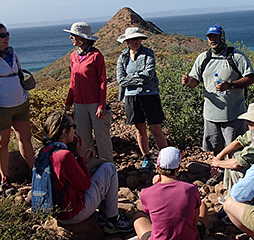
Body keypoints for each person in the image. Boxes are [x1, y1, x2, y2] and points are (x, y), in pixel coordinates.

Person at [181, 25, 254, 184]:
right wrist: (188, 82)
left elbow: (250, 77)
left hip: (233, 113)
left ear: (222, 37)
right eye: (209, 37)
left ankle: (237, 177)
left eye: (215, 36)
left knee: (235, 147)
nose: (212, 39)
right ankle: (220, 173)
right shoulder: (203, 58)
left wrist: (232, 85)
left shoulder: (236, 57)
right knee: (216, 146)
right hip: (211, 114)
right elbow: (195, 82)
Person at [42, 111, 132, 234]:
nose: (75, 130)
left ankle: (103, 213)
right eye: (73, 126)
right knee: (109, 168)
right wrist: (79, 158)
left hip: (57, 212)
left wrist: (81, 161)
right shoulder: (64, 155)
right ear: (64, 132)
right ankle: (113, 221)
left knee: (98, 167)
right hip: (73, 213)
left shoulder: (44, 151)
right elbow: (85, 185)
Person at [116, 27, 167, 173]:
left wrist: (130, 79)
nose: (137, 41)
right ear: (127, 41)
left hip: (149, 95)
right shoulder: (123, 57)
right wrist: (137, 79)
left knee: (156, 129)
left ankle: (166, 159)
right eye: (134, 39)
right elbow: (121, 80)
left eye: (139, 39)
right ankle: (147, 158)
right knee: (140, 130)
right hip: (131, 97)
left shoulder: (148, 53)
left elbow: (149, 74)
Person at [0, 22, 35, 197]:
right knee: (2, 143)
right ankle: (5, 179)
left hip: (20, 104)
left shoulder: (13, 54)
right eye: (2, 35)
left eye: (7, 34)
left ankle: (34, 171)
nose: (7, 37)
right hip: (1, 107)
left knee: (25, 138)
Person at [133, 146, 208, 240]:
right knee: (202, 205)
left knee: (139, 217)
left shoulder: (147, 193)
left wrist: (155, 185)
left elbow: (152, 216)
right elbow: (194, 221)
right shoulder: (191, 189)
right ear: (178, 169)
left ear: (157, 167)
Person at [64, 22, 113, 163]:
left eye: (73, 35)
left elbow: (103, 82)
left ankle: (108, 169)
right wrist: (68, 104)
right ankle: (90, 169)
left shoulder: (96, 55)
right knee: (83, 139)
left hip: (95, 103)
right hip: (79, 104)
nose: (70, 37)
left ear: (82, 38)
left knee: (102, 138)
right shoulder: (73, 56)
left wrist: (101, 105)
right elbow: (72, 82)